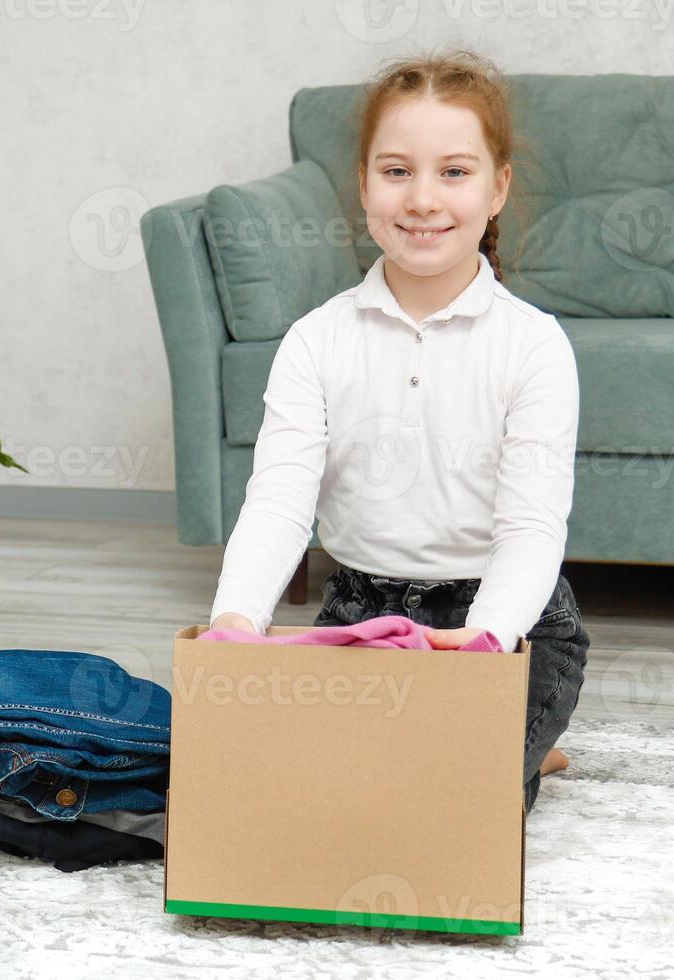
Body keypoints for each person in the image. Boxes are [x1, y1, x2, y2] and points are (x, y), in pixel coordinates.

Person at [207, 49, 589, 813]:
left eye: (454, 172)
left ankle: (514, 754)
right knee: (305, 794)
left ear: (497, 189)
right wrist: (235, 621)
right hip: (361, 614)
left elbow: (532, 529)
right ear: (362, 184)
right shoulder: (315, 341)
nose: (422, 199)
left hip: (503, 625)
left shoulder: (535, 345)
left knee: (442, 804)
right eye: (395, 171)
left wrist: (486, 644)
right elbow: (280, 502)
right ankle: (515, 754)